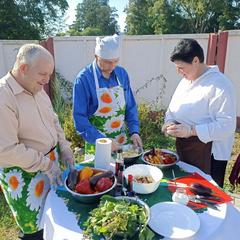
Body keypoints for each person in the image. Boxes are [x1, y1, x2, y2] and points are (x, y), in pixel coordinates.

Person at [0, 43, 74, 240]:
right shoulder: (3, 96)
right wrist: (45, 164)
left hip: (50, 164)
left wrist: (65, 148)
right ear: (23, 68)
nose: (47, 80)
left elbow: (54, 120)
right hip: (24, 174)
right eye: (43, 74)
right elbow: (5, 149)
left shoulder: (38, 89)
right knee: (33, 229)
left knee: (53, 218)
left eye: (49, 74)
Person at [162, 38, 236, 187]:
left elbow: (227, 125)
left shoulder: (219, 85)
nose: (178, 72)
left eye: (181, 67)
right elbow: (172, 109)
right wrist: (169, 122)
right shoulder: (185, 80)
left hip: (208, 156)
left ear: (196, 61)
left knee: (206, 198)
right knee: (186, 191)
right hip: (186, 149)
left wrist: (191, 130)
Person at [73, 34, 142, 160]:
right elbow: (79, 118)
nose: (112, 67)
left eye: (115, 61)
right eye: (107, 62)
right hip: (96, 143)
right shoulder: (83, 79)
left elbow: (130, 106)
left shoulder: (122, 74)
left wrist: (134, 131)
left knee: (122, 175)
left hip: (122, 142)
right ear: (96, 57)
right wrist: (102, 140)